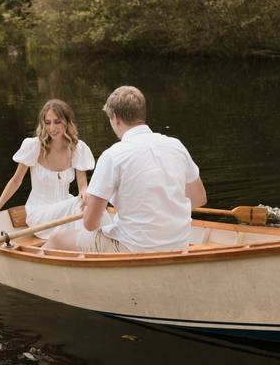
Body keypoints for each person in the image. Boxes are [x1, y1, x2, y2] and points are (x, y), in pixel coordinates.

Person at [45, 86, 206, 253]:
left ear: (115, 117)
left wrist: (88, 209)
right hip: (179, 244)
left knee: (57, 239)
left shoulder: (112, 155)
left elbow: (90, 224)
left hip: (134, 248)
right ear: (142, 114)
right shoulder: (176, 146)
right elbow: (199, 198)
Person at [0, 99, 94, 239]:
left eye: (57, 122)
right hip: (40, 214)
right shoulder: (34, 146)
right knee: (79, 206)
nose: (52, 128)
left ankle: (104, 247)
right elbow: (16, 180)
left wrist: (85, 195)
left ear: (67, 122)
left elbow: (82, 186)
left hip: (65, 207)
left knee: (93, 204)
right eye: (47, 122)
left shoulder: (78, 148)